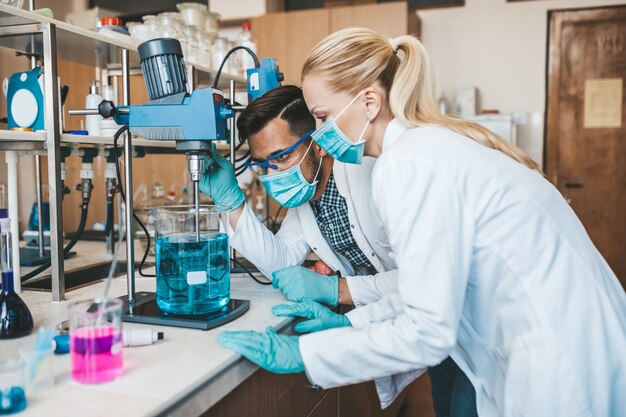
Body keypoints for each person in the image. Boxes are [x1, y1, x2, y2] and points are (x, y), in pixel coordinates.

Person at [218, 28, 626, 416]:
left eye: (322, 117)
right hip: (548, 340)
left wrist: (307, 355)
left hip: (556, 355)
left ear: (370, 103)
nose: (320, 136)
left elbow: (427, 330)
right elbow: (426, 285)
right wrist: (352, 321)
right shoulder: (421, 149)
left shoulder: (407, 165)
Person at [201, 85, 477, 416]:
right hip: (423, 327)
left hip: (467, 318)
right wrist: (232, 203)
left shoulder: (375, 173)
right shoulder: (305, 199)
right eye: (262, 164)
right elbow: (282, 262)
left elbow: (427, 277)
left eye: (282, 157)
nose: (272, 174)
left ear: (316, 143)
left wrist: (340, 290)